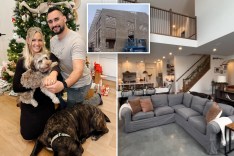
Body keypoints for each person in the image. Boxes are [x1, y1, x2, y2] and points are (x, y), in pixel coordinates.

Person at [13, 27, 59, 140]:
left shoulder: (48, 55)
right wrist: (36, 82)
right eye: (33, 40)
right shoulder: (22, 61)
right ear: (28, 41)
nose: (37, 44)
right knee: (28, 135)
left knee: (52, 128)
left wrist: (53, 73)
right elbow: (16, 87)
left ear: (43, 41)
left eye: (39, 40)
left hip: (45, 99)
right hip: (30, 102)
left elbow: (56, 64)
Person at [45, 7, 92, 107]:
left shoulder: (76, 41)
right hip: (64, 79)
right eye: (50, 22)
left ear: (64, 19)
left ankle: (97, 99)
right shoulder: (52, 40)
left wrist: (62, 85)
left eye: (56, 19)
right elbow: (55, 61)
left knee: (72, 112)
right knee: (63, 105)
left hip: (80, 83)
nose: (54, 24)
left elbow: (78, 71)